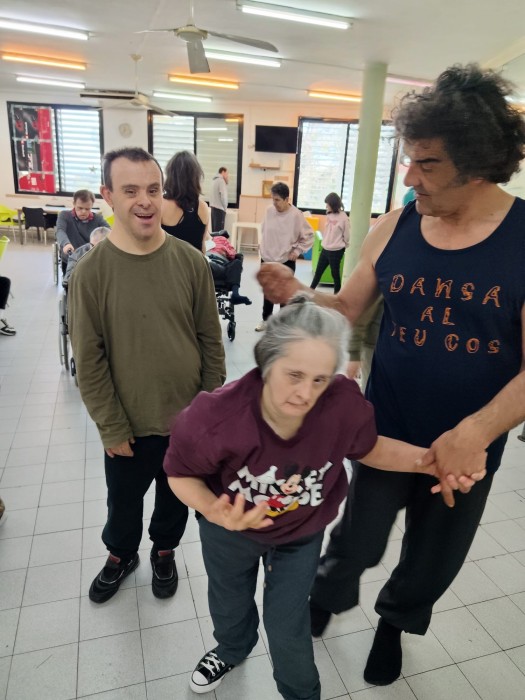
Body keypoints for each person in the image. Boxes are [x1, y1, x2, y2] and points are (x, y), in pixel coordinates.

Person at [257, 64, 525, 686]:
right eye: (409, 160)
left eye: (426, 164)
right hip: (385, 427)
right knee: (358, 536)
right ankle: (327, 596)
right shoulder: (395, 226)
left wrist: (475, 432)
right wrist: (299, 293)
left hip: (469, 447)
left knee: (434, 555)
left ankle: (394, 624)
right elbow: (348, 309)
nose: (409, 178)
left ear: (477, 166)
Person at [163, 296, 473, 699]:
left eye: (319, 380)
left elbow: (368, 448)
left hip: (299, 535)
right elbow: (179, 474)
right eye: (293, 375)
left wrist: (427, 462)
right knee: (229, 602)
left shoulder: (341, 405)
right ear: (266, 362)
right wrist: (213, 510)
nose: (305, 394)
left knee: (287, 622)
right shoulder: (215, 416)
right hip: (229, 532)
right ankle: (231, 648)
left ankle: (301, 692)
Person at [68, 147, 225, 604]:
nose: (145, 201)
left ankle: (164, 551)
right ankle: (120, 555)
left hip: (186, 422)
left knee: (175, 498)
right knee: (123, 501)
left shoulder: (190, 262)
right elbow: (89, 360)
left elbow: (210, 342)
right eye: (131, 190)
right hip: (127, 425)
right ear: (108, 196)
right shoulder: (91, 273)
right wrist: (111, 425)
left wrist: (208, 413)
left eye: (153, 189)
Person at [255, 182, 314, 332]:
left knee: (284, 294)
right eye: (273, 199)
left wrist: (297, 251)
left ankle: (282, 325)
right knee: (268, 292)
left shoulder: (296, 215)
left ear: (287, 199)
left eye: (277, 200)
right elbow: (265, 229)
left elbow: (308, 236)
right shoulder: (269, 211)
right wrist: (262, 245)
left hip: (285, 260)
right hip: (267, 258)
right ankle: (266, 320)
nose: (274, 203)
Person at [161, 150, 210, 253]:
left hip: (168, 262)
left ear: (170, 175)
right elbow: (202, 247)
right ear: (196, 176)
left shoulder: (161, 204)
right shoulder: (203, 207)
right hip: (196, 263)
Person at [55, 189, 110, 274]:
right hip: (70, 259)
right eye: (80, 208)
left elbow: (109, 231)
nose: (83, 212)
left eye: (87, 209)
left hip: (90, 260)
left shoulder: (98, 219)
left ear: (92, 205)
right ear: (74, 203)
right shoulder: (64, 215)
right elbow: (60, 230)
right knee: (69, 281)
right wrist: (66, 244)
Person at [310, 192, 349, 294]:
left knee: (335, 274)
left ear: (333, 204)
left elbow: (347, 235)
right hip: (325, 249)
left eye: (328, 204)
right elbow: (327, 231)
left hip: (336, 251)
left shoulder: (343, 217)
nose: (326, 206)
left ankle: (337, 296)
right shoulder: (329, 214)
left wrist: (344, 245)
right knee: (318, 273)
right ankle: (309, 292)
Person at [206, 233, 251, 305]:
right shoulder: (199, 238)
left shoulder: (221, 239)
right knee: (207, 264)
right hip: (206, 261)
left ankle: (235, 295)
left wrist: (223, 249)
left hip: (221, 264)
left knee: (237, 262)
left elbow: (233, 254)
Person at [210, 166, 229, 232]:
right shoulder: (221, 181)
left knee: (214, 232)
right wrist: (225, 208)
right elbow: (223, 196)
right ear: (223, 172)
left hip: (213, 210)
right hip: (219, 210)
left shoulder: (214, 181)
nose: (227, 176)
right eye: (227, 174)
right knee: (220, 233)